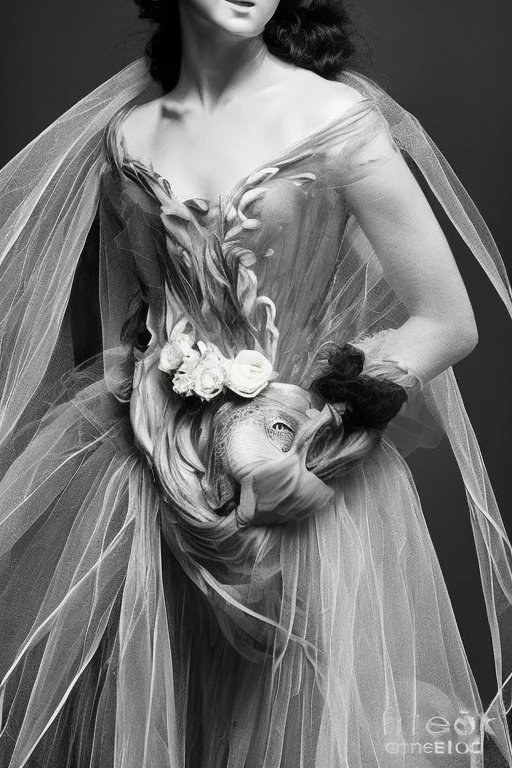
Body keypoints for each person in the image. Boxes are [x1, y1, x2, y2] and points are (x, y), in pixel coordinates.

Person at [0, 0, 511, 766]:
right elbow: (117, 328)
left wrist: (302, 423)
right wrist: (155, 425)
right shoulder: (126, 136)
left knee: (289, 729)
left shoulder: (335, 117)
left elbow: (446, 322)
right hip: (144, 485)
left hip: (290, 482)